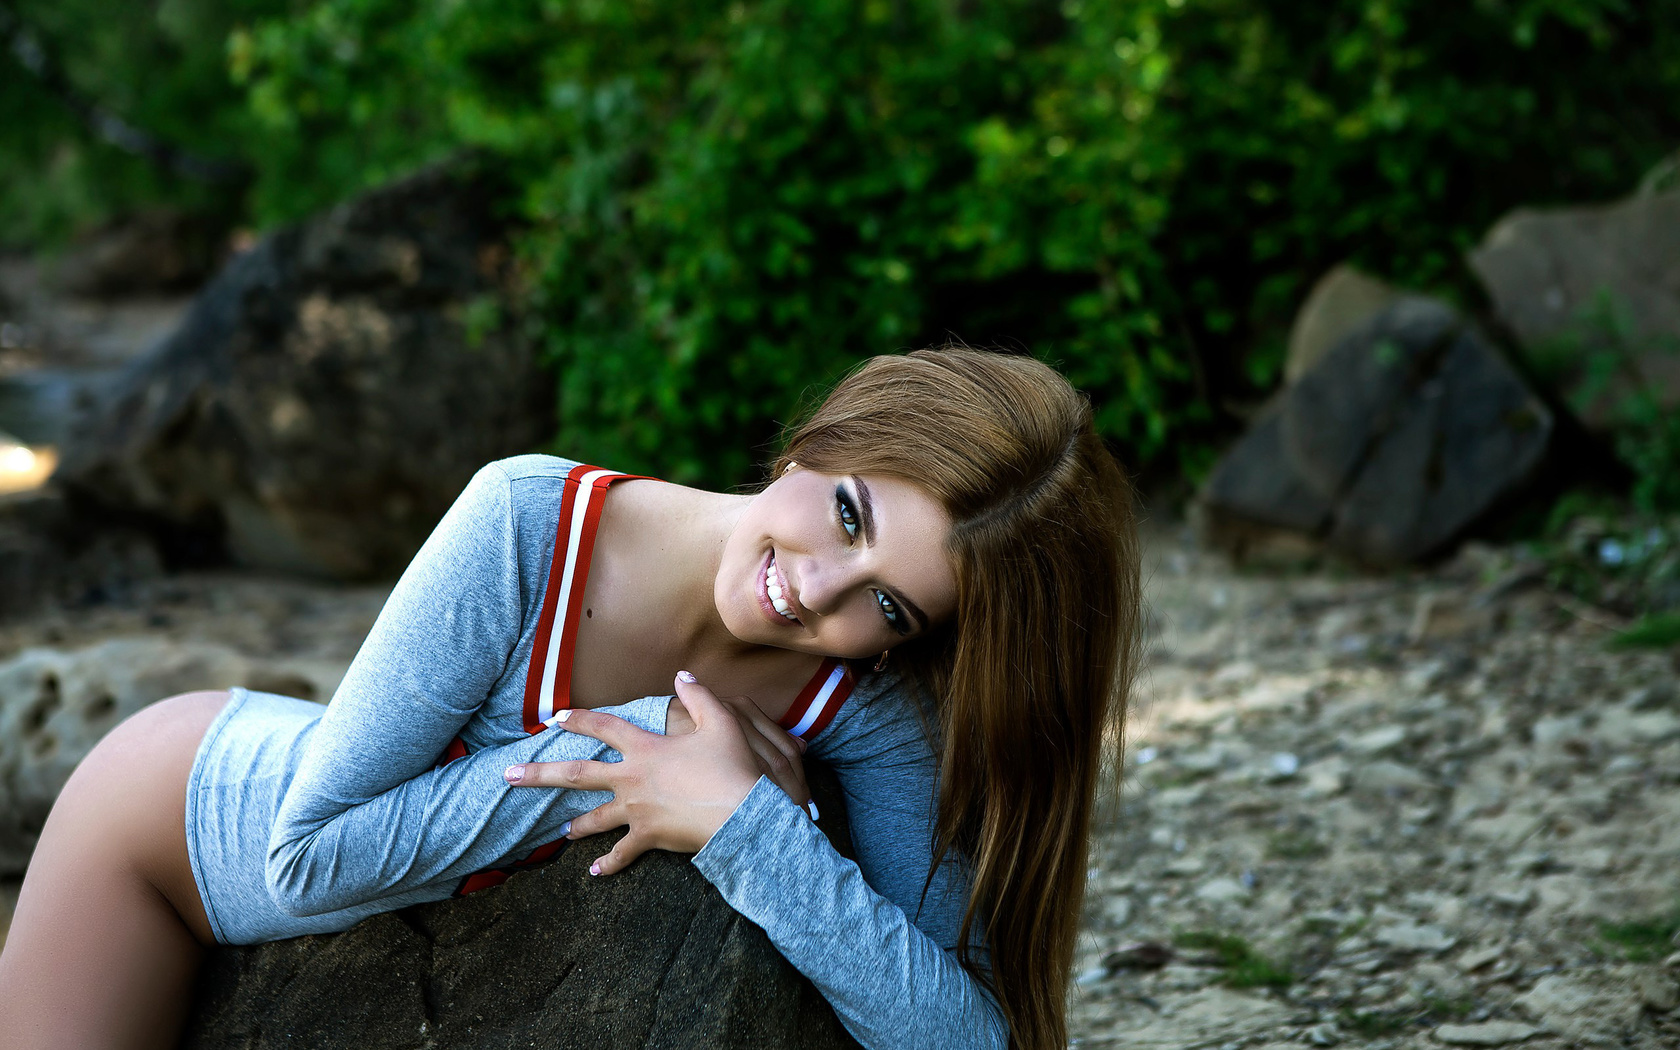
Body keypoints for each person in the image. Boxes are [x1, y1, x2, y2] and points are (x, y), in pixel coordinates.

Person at [0, 346, 1140, 1050]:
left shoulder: (869, 704)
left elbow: (962, 1037)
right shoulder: (529, 526)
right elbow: (305, 856)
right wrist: (642, 751)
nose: (819, 592)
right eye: (849, 515)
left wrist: (744, 828)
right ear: (825, 441)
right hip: (170, 831)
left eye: (889, 606)